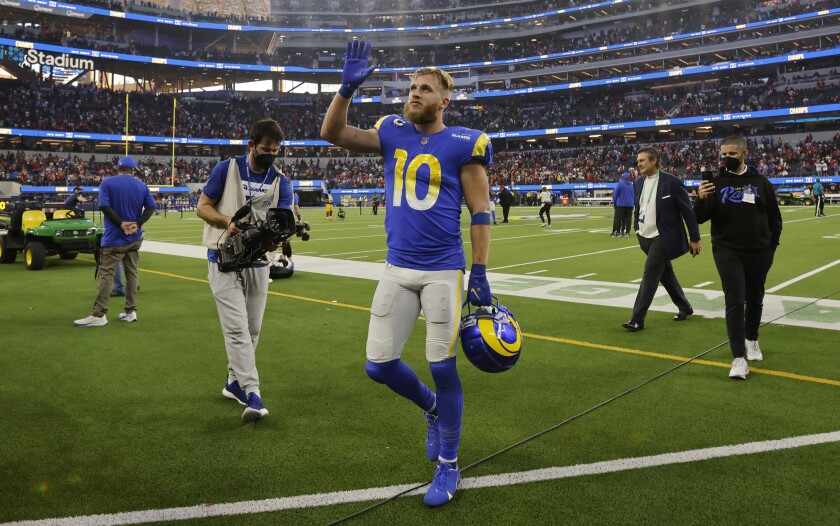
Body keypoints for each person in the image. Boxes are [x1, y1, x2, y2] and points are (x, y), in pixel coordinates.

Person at [320, 40, 493, 508]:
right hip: (397, 267)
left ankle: (449, 464)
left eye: (425, 89)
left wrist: (479, 273)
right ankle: (431, 409)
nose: (414, 93)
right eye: (412, 87)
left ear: (445, 100)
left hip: (443, 271)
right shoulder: (391, 131)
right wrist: (346, 89)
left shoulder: (465, 143)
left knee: (442, 366)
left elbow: (480, 212)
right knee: (378, 365)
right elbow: (333, 132)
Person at [196, 119, 293, 423]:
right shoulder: (227, 169)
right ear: (251, 145)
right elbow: (202, 207)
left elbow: (284, 219)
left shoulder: (282, 181)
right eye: (266, 149)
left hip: (259, 261)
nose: (270, 155)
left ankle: (232, 382)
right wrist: (227, 222)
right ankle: (253, 393)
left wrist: (279, 239)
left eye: (275, 151)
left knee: (252, 330)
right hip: (223, 257)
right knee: (237, 329)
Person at [695, 136, 783, 379]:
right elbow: (700, 218)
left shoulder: (761, 182)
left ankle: (751, 339)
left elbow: (775, 218)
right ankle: (738, 358)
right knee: (734, 299)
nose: (726, 158)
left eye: (732, 154)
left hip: (759, 251)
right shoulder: (716, 182)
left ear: (745, 153)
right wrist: (700, 199)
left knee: (755, 298)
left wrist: (771, 248)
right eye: (723, 154)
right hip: (727, 249)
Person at [622, 147, 701, 332]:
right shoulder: (638, 182)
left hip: (663, 237)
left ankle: (637, 319)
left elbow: (688, 213)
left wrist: (695, 239)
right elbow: (638, 208)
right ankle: (685, 306)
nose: (638, 164)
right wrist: (637, 229)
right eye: (638, 161)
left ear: (654, 160)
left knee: (650, 275)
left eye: (642, 160)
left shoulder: (673, 182)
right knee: (666, 275)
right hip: (644, 237)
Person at [74, 157, 155, 327]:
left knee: (106, 275)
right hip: (134, 237)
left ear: (118, 168)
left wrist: (120, 223)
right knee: (132, 274)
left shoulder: (108, 183)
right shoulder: (141, 185)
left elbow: (104, 206)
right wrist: (137, 223)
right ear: (132, 170)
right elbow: (151, 207)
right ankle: (130, 311)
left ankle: (98, 314)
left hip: (114, 238)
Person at [611, 172, 634, 237]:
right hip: (630, 205)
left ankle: (618, 232)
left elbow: (615, 195)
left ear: (622, 177)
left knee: (618, 218)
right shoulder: (631, 185)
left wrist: (614, 203)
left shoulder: (620, 184)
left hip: (621, 204)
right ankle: (627, 233)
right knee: (628, 219)